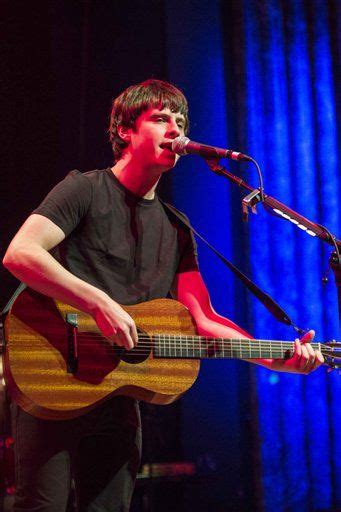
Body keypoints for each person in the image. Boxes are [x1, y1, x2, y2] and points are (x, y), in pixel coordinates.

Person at [3, 79, 324, 512]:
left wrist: (275, 357)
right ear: (124, 132)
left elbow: (204, 320)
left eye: (180, 120)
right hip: (52, 371)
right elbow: (20, 253)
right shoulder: (84, 189)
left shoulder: (176, 227)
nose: (175, 129)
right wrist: (99, 303)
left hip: (116, 396)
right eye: (160, 119)